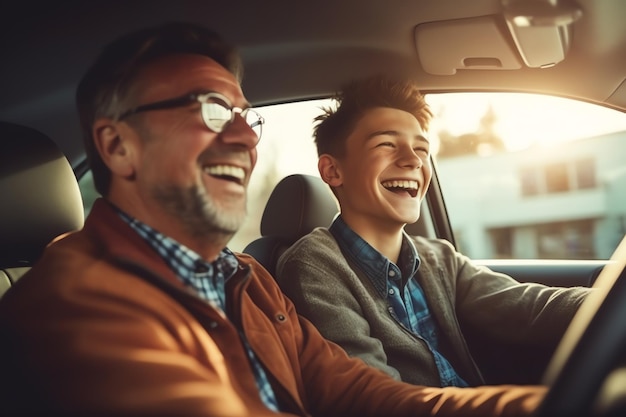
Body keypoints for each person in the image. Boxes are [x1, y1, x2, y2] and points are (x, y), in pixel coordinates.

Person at [0, 22, 546, 417]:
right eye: (211, 110)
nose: (243, 139)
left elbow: (358, 394)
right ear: (118, 147)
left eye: (244, 117)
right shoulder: (73, 301)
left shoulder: (245, 278)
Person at [275, 75, 590, 388]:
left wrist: (608, 300)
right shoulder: (314, 268)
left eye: (422, 149)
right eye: (386, 144)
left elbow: (530, 307)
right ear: (333, 171)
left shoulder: (437, 258)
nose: (413, 160)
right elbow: (374, 397)